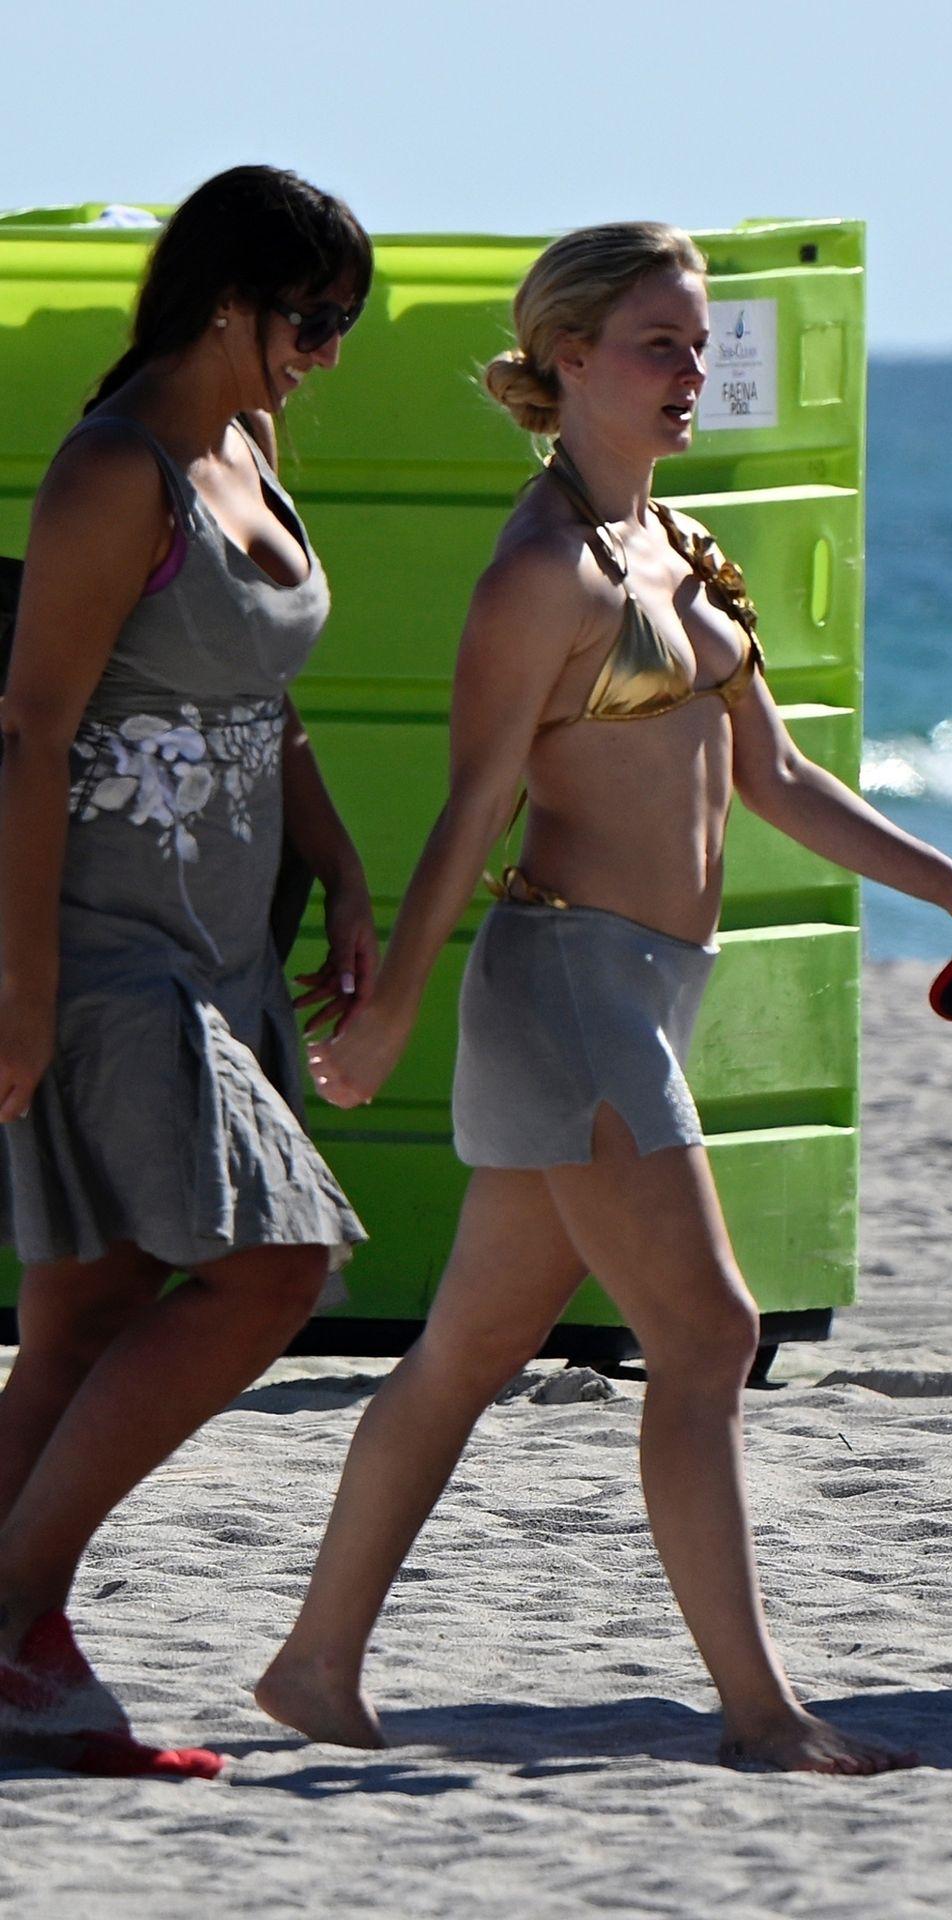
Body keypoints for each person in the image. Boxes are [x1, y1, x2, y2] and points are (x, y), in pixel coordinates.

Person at [256, 222, 952, 1776]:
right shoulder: (539, 573)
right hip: (570, 990)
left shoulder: (678, 546)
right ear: (568, 360)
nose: (693, 371)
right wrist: (391, 1010)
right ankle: (761, 1711)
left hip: (651, 990)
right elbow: (473, 808)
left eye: (701, 343)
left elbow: (779, 778)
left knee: (468, 1351)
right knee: (710, 1333)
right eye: (659, 345)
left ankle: (313, 1667)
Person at [0, 165, 376, 1759]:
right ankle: (11, 1609)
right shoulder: (117, 469)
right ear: (228, 301)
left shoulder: (252, 446)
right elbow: (30, 733)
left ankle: (21, 1656)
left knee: (88, 1315)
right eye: (313, 319)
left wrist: (339, 863)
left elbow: (260, 700)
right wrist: (21, 997)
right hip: (106, 951)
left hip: (227, 945)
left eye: (345, 324)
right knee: (277, 1267)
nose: (327, 354)